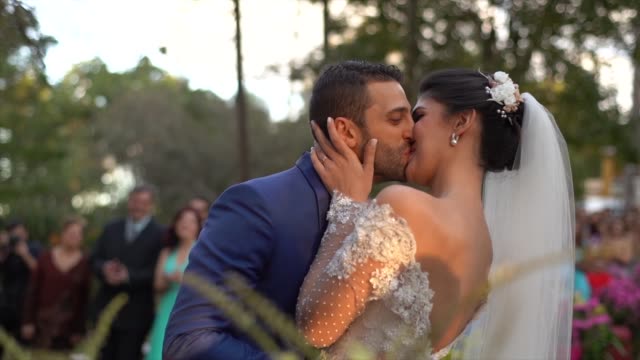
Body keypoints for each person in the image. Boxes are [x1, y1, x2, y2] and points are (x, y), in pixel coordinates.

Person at [297, 69, 574, 359]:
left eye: (419, 117)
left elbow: (316, 328)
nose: (408, 132)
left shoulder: (405, 207)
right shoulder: (485, 252)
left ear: (461, 122)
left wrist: (347, 206)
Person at [163, 60, 414, 359]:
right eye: (397, 120)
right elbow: (187, 343)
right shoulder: (257, 204)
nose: (412, 131)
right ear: (346, 132)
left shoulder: (384, 218)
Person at [91, 185, 165, 360]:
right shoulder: (111, 228)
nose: (138, 206)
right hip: (105, 309)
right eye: (135, 201)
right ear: (129, 202)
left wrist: (129, 276)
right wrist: (104, 268)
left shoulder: (161, 234)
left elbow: (157, 272)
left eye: (144, 203)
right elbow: (94, 259)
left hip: (137, 313)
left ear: (151, 206)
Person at [21, 217, 91, 350]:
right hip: (42, 325)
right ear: (63, 234)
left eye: (78, 234)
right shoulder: (45, 258)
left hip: (68, 329)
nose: (74, 237)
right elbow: (33, 291)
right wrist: (28, 321)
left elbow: (84, 299)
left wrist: (79, 330)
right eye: (71, 233)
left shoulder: (85, 263)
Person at [146, 207, 200, 360]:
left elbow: (208, 286)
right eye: (181, 220)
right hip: (167, 308)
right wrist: (169, 279)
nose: (185, 224)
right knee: (158, 352)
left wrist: (184, 280)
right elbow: (157, 285)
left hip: (191, 312)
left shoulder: (202, 250)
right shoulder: (167, 252)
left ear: (198, 226)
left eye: (190, 221)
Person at [0, 220, 41, 342]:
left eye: (20, 233)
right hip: (6, 303)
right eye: (14, 234)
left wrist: (25, 254)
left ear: (26, 233)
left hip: (26, 304)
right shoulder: (6, 250)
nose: (17, 237)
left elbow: (40, 272)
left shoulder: (34, 247)